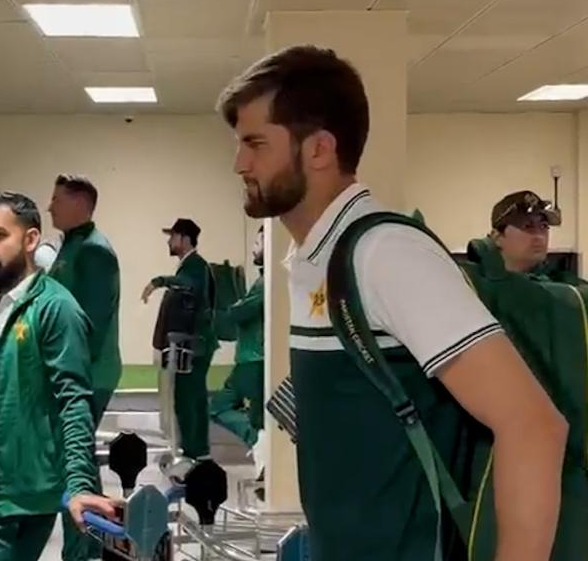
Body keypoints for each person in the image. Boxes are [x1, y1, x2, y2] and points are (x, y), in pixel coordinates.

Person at [217, 45, 567, 560]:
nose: (239, 163)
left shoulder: (386, 254)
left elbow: (534, 425)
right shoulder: (316, 258)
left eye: (255, 144)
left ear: (319, 149)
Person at [0, 190, 115, 561]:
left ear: (30, 240)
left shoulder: (55, 308)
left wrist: (80, 484)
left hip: (9, 510)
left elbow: (74, 403)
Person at [46, 175, 122, 561]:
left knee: (73, 458)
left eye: (57, 199)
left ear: (79, 204)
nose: (50, 206)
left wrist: (64, 370)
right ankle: (90, 544)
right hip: (76, 368)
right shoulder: (72, 246)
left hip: (88, 372)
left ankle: (80, 551)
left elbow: (91, 322)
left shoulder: (94, 251)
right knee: (78, 458)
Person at [142, 218, 218, 461]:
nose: (169, 242)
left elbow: (189, 285)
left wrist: (159, 281)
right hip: (194, 344)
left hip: (195, 346)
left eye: (173, 237)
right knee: (193, 398)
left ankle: (194, 454)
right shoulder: (190, 266)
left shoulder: (195, 266)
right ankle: (199, 452)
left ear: (185, 239)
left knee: (188, 399)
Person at [209, 226, 265, 474]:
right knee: (256, 417)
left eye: (258, 242)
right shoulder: (265, 282)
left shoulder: (265, 284)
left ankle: (258, 441)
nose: (254, 248)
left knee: (221, 407)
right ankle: (260, 445)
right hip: (253, 359)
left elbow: (238, 313)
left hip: (252, 361)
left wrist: (226, 306)